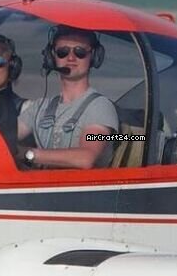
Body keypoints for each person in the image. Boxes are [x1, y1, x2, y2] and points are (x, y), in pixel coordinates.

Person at [17, 27, 117, 170]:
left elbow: (85, 158)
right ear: (52, 57)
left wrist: (28, 154)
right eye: (62, 52)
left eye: (80, 52)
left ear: (94, 57)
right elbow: (4, 138)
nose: (71, 58)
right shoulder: (40, 107)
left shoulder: (100, 107)